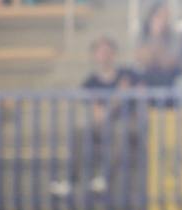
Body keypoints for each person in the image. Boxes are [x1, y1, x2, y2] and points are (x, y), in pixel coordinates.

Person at [49, 37, 141, 199]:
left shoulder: (128, 73)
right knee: (79, 132)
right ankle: (71, 181)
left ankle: (104, 178)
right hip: (104, 125)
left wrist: (112, 104)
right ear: (95, 56)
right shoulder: (90, 82)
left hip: (127, 123)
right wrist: (119, 95)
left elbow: (142, 92)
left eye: (107, 51)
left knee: (120, 131)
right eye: (100, 51)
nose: (104, 55)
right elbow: (99, 115)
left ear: (114, 54)